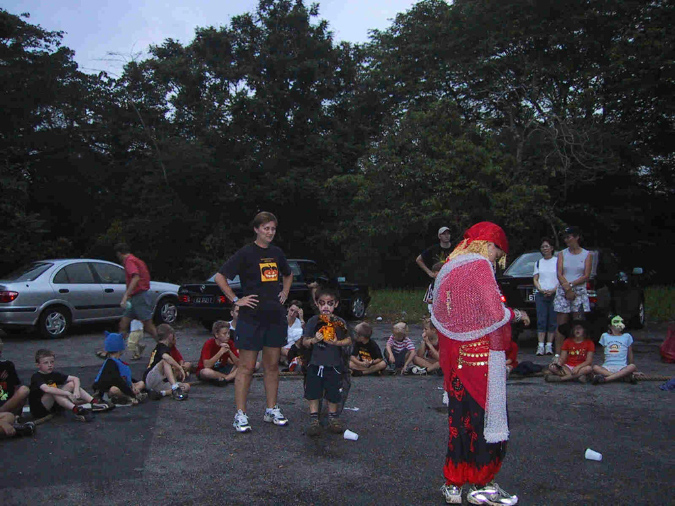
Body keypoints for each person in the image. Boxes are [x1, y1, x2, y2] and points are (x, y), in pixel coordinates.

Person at [431, 221, 530, 505]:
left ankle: (453, 484)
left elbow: (442, 313)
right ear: (488, 244)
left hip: (457, 360)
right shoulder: (480, 265)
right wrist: (517, 314)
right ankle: (482, 483)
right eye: (498, 252)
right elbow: (494, 312)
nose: (497, 259)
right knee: (486, 421)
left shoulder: (451, 266)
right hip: (482, 359)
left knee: (459, 422)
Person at [214, 211, 293, 433]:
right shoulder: (246, 253)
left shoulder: (277, 253)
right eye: (266, 228)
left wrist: (285, 293)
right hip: (251, 318)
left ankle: (271, 409)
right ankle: (240, 414)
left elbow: (288, 274)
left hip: (274, 317)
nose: (270, 232)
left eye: (273, 229)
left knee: (272, 366)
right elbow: (220, 277)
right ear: (256, 229)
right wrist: (236, 300)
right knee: (246, 367)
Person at [301, 286, 351, 436]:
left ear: (336, 304)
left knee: (333, 392)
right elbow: (304, 341)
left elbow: (349, 339)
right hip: (315, 363)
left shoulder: (339, 322)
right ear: (317, 304)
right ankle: (314, 419)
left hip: (334, 364)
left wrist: (337, 343)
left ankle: (333, 418)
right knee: (313, 391)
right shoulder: (313, 321)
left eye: (330, 303)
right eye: (322, 303)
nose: (326, 307)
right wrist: (314, 340)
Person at [29, 349, 110, 422]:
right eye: (46, 363)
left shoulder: (54, 374)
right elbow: (47, 389)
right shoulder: (36, 377)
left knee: (71, 384)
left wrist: (76, 391)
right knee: (53, 391)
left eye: (52, 362)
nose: (50, 365)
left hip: (53, 405)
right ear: (38, 365)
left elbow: (75, 379)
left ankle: (94, 402)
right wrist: (67, 393)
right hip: (40, 409)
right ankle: (76, 410)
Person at [553, 227, 592, 354]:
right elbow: (559, 273)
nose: (566, 240)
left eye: (569, 237)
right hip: (564, 290)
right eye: (565, 238)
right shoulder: (562, 254)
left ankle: (578, 353)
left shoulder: (586, 254)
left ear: (576, 237)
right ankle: (558, 355)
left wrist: (571, 285)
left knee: (578, 324)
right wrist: (567, 288)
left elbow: (586, 275)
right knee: (561, 325)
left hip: (578, 290)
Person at [92, 332, 147, 405]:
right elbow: (118, 381)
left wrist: (132, 385)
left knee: (141, 383)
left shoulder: (117, 362)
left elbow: (126, 378)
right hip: (108, 390)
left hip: (123, 386)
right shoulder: (110, 363)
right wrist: (131, 394)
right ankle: (129, 398)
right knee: (114, 390)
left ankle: (128, 396)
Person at [143, 324, 189, 400]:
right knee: (165, 361)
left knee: (186, 386)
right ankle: (175, 388)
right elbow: (166, 357)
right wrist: (179, 367)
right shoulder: (161, 347)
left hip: (159, 381)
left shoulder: (166, 348)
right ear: (170, 335)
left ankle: (162, 393)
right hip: (151, 377)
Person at [592, 315, 639, 384]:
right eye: (616, 321)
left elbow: (630, 353)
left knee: (632, 366)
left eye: (621, 321)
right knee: (595, 367)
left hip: (622, 367)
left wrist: (635, 370)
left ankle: (606, 379)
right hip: (607, 367)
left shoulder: (627, 336)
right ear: (610, 326)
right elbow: (604, 353)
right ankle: (621, 376)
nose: (620, 324)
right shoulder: (604, 336)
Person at [533, 238, 558, 355]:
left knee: (553, 320)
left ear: (552, 248)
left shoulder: (557, 261)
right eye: (543, 247)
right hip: (541, 295)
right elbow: (535, 279)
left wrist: (553, 290)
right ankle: (540, 345)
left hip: (555, 294)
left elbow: (561, 278)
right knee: (541, 320)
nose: (545, 249)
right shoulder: (538, 263)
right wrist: (540, 289)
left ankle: (549, 345)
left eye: (547, 246)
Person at [197, 321, 239, 385]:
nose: (228, 336)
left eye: (228, 333)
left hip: (222, 368)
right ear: (216, 335)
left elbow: (238, 363)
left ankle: (225, 379)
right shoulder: (209, 344)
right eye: (224, 334)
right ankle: (229, 378)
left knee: (242, 366)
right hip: (209, 370)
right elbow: (207, 365)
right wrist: (221, 352)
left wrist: (230, 352)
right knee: (206, 372)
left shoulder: (230, 343)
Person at [0, 337, 30, 416]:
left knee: (24, 390)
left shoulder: (7, 365)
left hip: (7, 402)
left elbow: (15, 386)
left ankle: (12, 415)